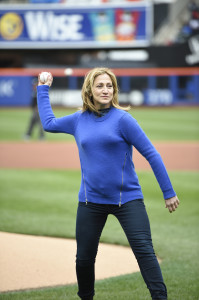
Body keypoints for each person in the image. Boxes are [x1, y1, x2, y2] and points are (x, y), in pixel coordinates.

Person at [37, 68, 180, 300]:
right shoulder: (78, 120)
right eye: (100, 86)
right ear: (89, 90)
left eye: (109, 86)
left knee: (144, 252)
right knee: (84, 258)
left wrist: (168, 192)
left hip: (127, 200)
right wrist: (43, 89)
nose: (105, 90)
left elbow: (152, 154)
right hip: (90, 201)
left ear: (114, 90)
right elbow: (49, 124)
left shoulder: (123, 120)